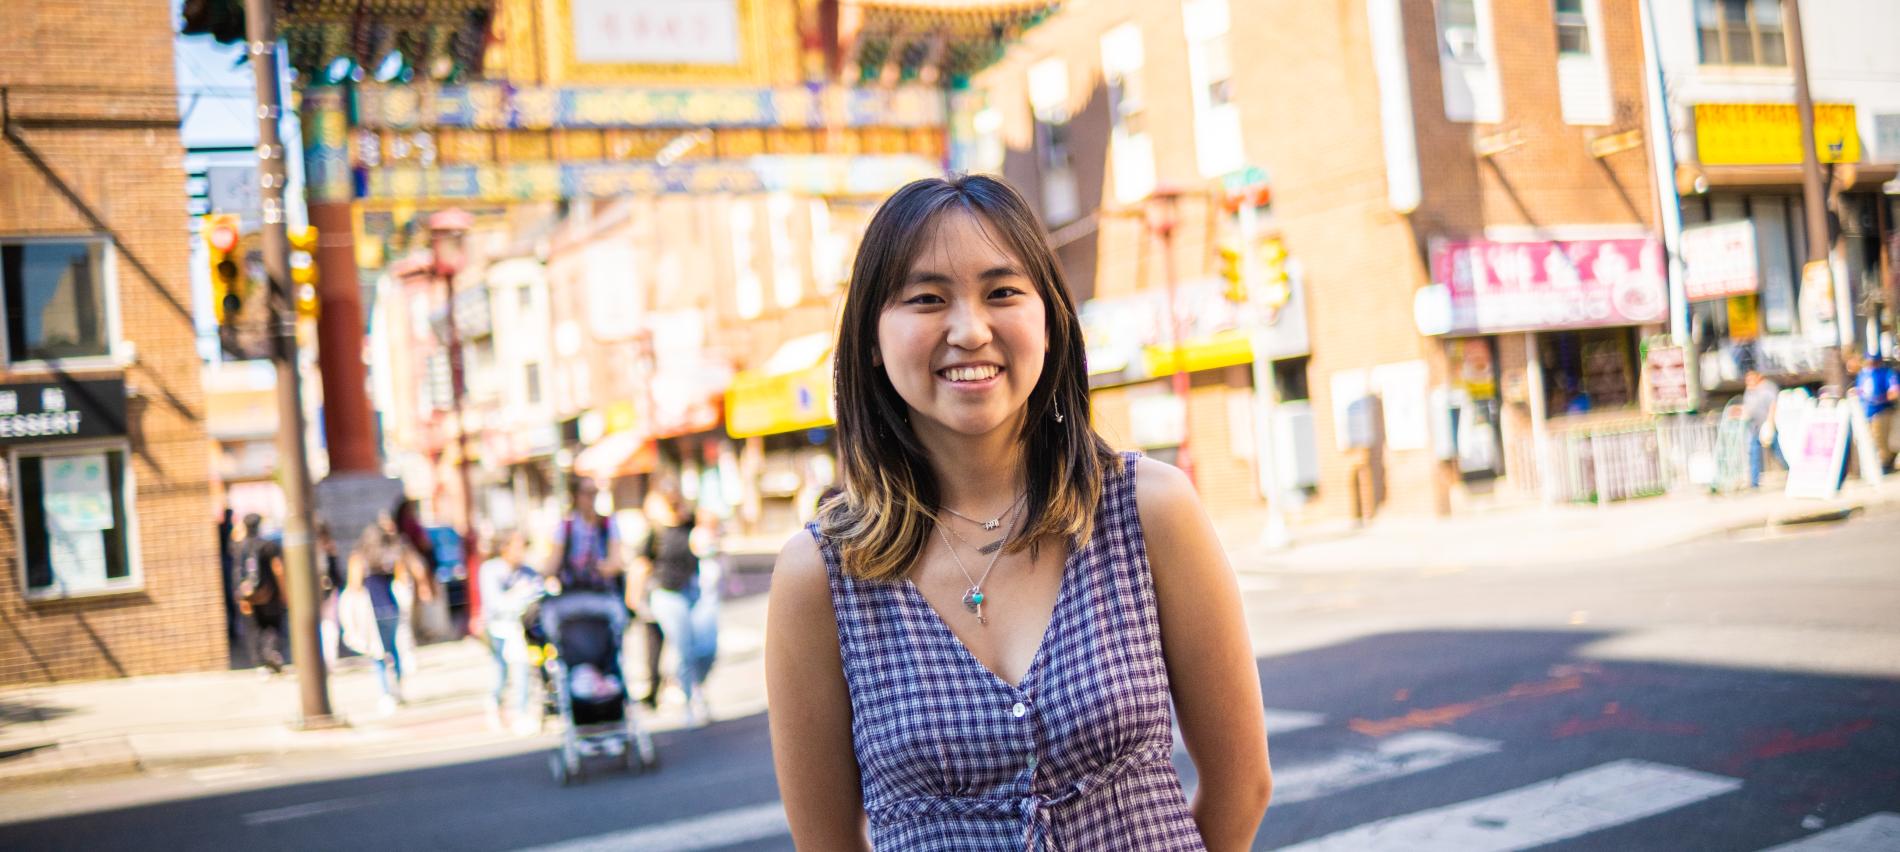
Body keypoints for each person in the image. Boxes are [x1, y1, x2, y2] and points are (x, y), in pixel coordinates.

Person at [765, 175, 1272, 849]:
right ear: (871, 340)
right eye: (926, 299)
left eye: (1002, 292)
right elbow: (827, 843)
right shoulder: (820, 577)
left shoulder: (1150, 511)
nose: (970, 330)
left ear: (1050, 320)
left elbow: (1244, 783)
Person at [635, 484, 720, 728]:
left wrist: (696, 516)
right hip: (666, 593)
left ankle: (696, 686)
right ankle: (691, 700)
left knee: (707, 646)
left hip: (694, 590)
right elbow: (642, 564)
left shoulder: (690, 522)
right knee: (683, 647)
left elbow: (712, 524)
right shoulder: (655, 531)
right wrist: (635, 596)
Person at [349, 510, 432, 715]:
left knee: (378, 654)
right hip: (391, 606)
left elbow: (354, 584)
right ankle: (397, 689)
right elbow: (403, 576)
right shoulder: (392, 553)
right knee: (394, 650)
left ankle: (386, 693)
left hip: (371, 609)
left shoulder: (360, 557)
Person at [478, 530, 539, 732]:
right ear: (505, 548)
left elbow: (540, 589)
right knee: (500, 670)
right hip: (498, 628)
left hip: (520, 628)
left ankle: (521, 712)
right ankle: (495, 705)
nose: (522, 552)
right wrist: (519, 597)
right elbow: (494, 603)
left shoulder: (527, 571)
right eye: (517, 546)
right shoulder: (490, 570)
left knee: (522, 665)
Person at [232, 513, 288, 674]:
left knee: (254, 629)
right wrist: (284, 592)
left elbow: (237, 573)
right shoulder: (268, 546)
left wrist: (241, 597)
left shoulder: (239, 547)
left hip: (249, 597)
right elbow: (278, 569)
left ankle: (261, 664)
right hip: (270, 596)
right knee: (273, 627)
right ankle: (272, 653)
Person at [1855, 353, 1898, 473]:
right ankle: (1877, 464)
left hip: (1882, 410)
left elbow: (1894, 391)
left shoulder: (1886, 373)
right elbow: (1861, 390)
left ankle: (1885, 463)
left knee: (1881, 439)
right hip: (1866, 411)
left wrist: (1883, 398)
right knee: (1871, 439)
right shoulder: (1863, 374)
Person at [1741, 368, 1783, 489]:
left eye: (1751, 378)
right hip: (1755, 427)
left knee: (1778, 451)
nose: (1748, 381)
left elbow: (1773, 405)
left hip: (1767, 425)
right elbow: (1748, 407)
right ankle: (1754, 482)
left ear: (1758, 376)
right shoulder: (1749, 391)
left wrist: (1770, 422)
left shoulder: (1767, 388)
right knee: (1754, 453)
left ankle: (1792, 472)